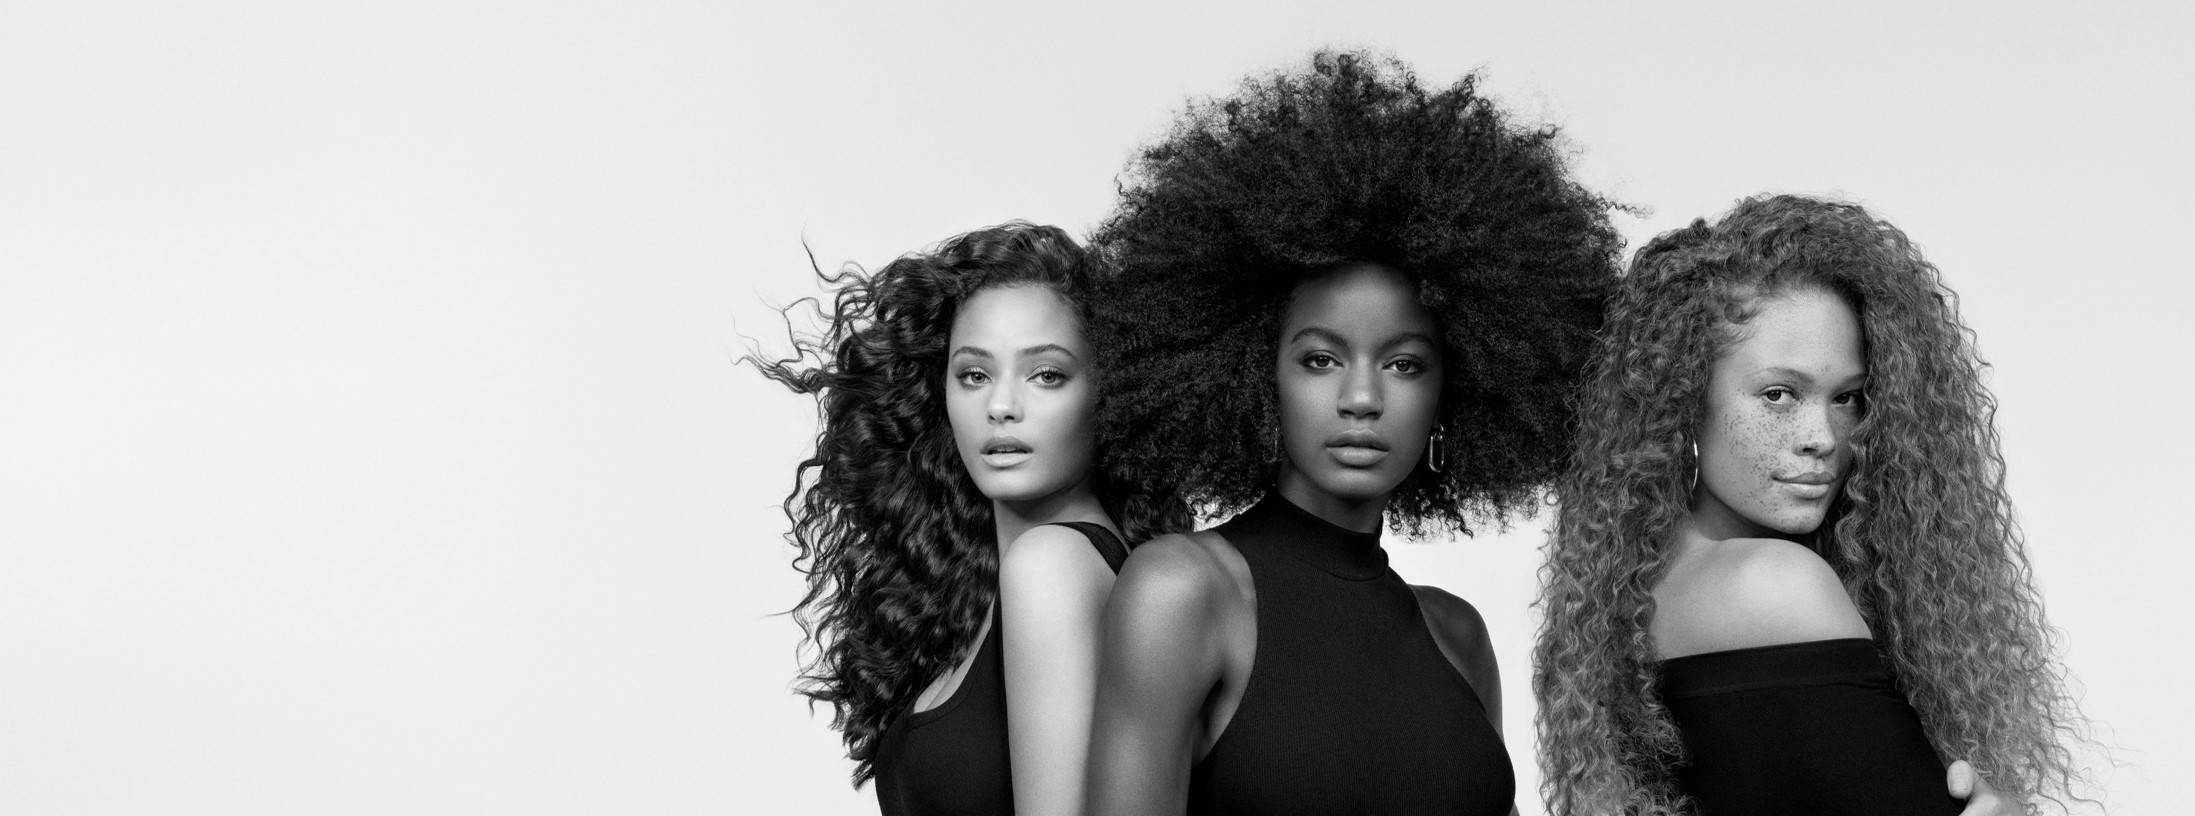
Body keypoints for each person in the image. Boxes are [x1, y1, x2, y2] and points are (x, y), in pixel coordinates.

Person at [1080, 51, 1621, 816]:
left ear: (1452, 391)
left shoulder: (1455, 636)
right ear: (1252, 372)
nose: (1361, 397)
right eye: (1320, 359)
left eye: (1403, 364)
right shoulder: (1184, 591)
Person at [1534, 195, 2091, 815]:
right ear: (1683, 402)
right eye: (1778, 394)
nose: (1823, 437)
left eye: (1847, 398)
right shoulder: (1773, 585)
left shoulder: (1638, 588)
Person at [749, 223, 1187, 816]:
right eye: (974, 375)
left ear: (1111, 393)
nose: (1002, 406)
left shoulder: (1052, 567)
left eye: (1046, 374)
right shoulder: (995, 589)